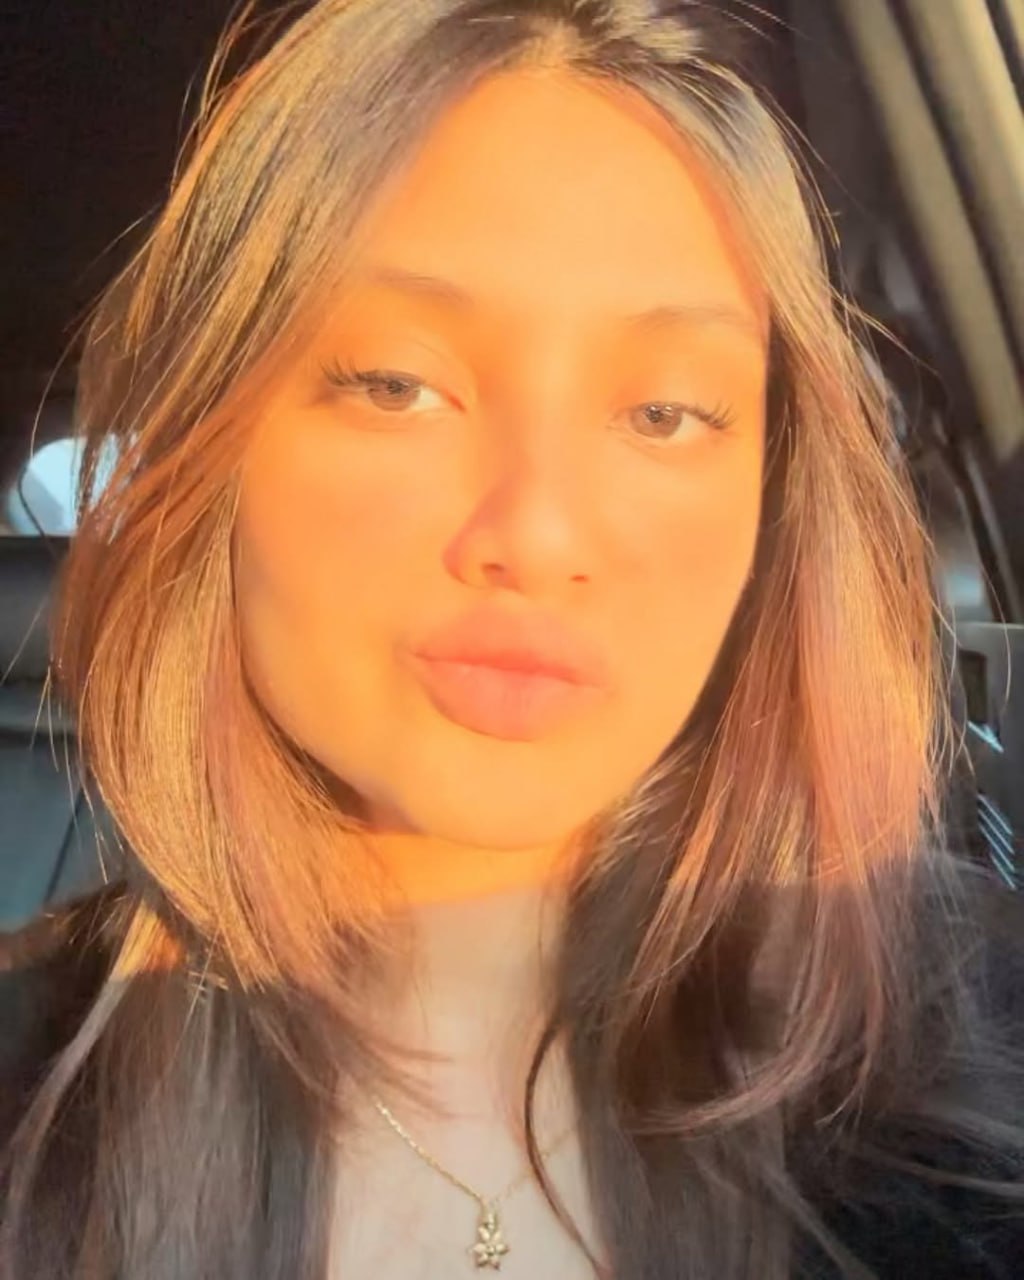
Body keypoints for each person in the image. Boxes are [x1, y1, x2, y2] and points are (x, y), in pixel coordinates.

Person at [1, 2, 1022, 1277]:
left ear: (771, 496)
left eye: (664, 411)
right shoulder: (26, 1090)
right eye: (395, 385)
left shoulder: (979, 1052)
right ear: (211, 449)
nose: (536, 533)